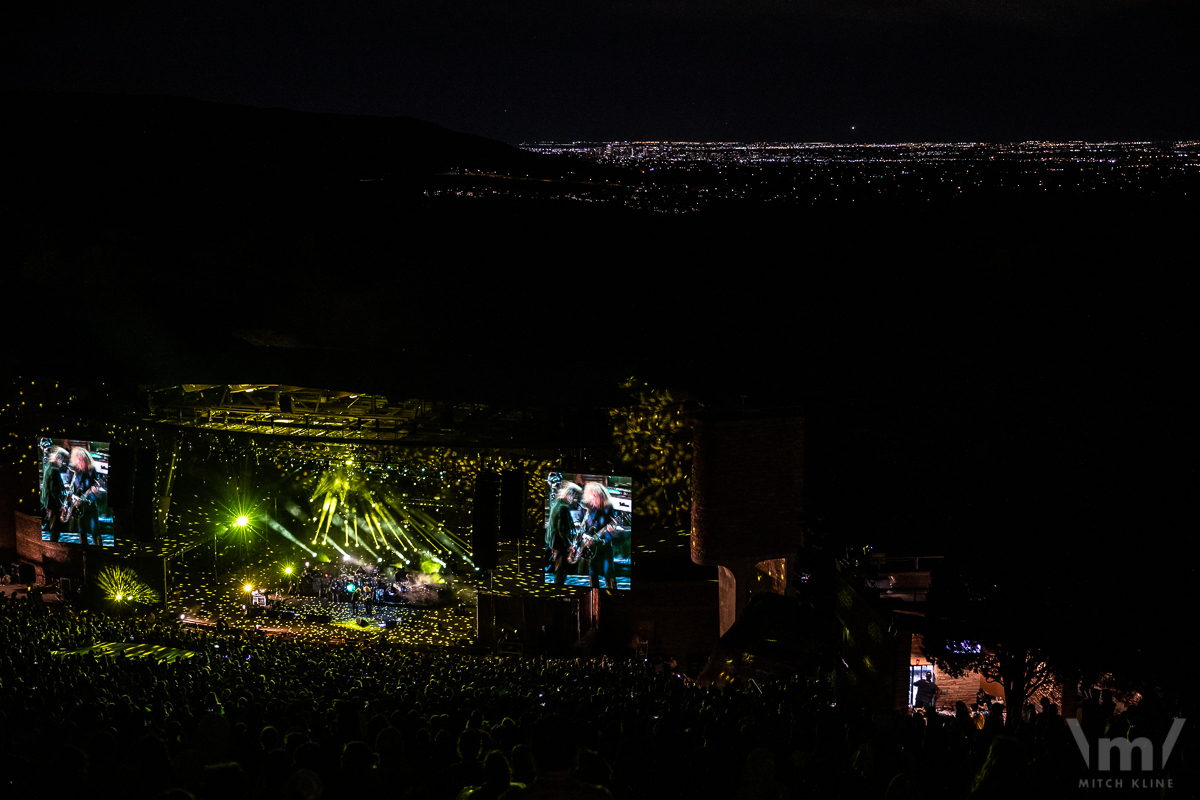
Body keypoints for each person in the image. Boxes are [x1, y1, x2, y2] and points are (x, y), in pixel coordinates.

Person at [578, 482, 618, 590]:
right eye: (592, 495)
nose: (594, 499)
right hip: (591, 546)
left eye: (596, 496)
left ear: (602, 496)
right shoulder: (586, 507)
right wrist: (585, 536)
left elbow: (613, 529)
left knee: (608, 572)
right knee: (592, 572)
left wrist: (612, 530)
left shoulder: (608, 507)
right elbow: (581, 527)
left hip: (605, 545)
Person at [65, 447, 107, 545]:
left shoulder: (91, 470)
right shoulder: (75, 471)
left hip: (90, 505)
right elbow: (72, 489)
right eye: (77, 459)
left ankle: (99, 551)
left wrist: (96, 492)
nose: (78, 462)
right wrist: (73, 497)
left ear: (85, 459)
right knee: (81, 531)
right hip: (79, 506)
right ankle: (84, 551)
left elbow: (98, 489)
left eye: (81, 459)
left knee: (95, 530)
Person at [545, 482, 581, 586]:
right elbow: (562, 530)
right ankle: (559, 588)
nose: (575, 499)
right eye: (575, 496)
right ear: (571, 494)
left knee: (558, 567)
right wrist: (569, 544)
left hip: (554, 542)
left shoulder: (557, 503)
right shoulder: (563, 507)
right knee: (560, 569)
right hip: (560, 543)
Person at [40, 445, 68, 543]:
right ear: (58, 457)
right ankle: (54, 545)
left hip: (48, 502)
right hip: (53, 504)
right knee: (54, 528)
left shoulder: (48, 466)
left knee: (52, 525)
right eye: (63, 459)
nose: (63, 462)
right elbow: (54, 490)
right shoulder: (54, 470)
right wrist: (61, 504)